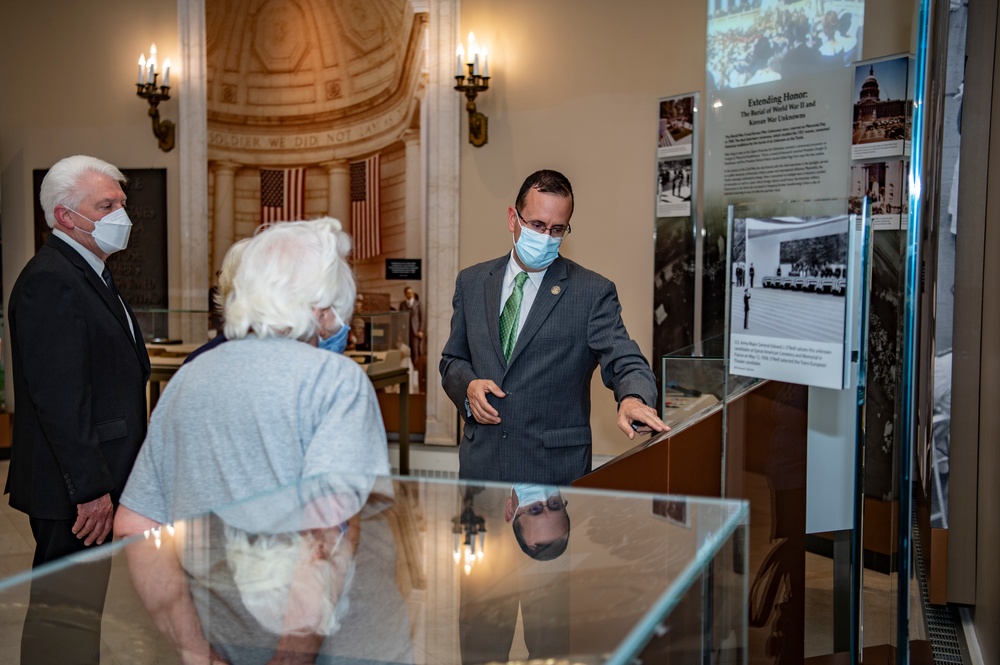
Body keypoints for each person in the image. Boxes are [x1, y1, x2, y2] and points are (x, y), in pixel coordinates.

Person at [115, 219, 401, 664]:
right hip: (328, 643)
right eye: (339, 312)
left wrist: (194, 652)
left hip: (220, 632)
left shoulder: (189, 378)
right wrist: (291, 658)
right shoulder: (335, 380)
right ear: (320, 310)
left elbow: (135, 526)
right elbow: (327, 537)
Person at [5, 154, 151, 663]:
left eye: (122, 204)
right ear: (67, 217)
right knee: (63, 619)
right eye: (106, 205)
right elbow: (61, 400)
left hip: (92, 480)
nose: (121, 216)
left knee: (79, 614)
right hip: (75, 489)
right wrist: (91, 491)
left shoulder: (90, 272)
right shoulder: (53, 279)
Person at [440, 169, 667, 486]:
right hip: (483, 470)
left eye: (557, 229)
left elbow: (624, 357)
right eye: (536, 225)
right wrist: (468, 387)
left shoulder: (591, 292)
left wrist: (633, 398)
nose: (546, 238)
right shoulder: (472, 282)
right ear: (512, 219)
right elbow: (452, 361)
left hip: (551, 475)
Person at [399, 286, 424, 365]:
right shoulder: (402, 304)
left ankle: (415, 369)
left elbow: (421, 318)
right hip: (405, 331)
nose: (410, 294)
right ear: (405, 294)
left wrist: (420, 330)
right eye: (408, 293)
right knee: (406, 351)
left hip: (415, 331)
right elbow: (399, 319)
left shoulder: (417, 304)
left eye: (411, 293)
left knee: (415, 350)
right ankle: (407, 368)